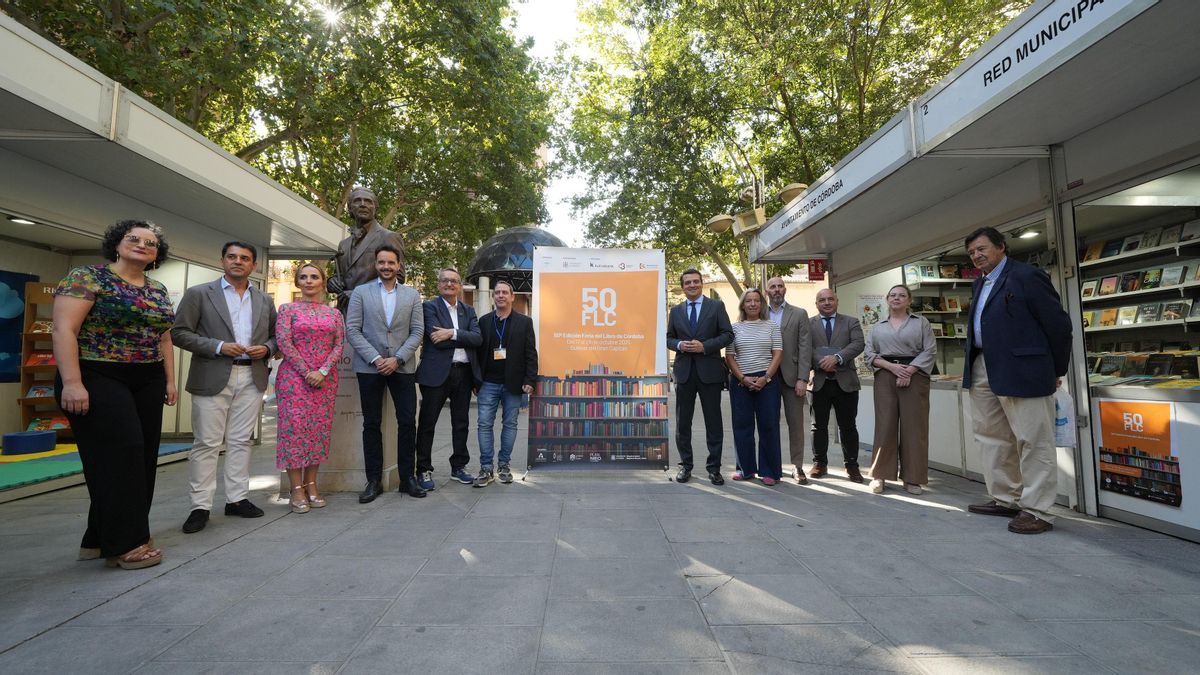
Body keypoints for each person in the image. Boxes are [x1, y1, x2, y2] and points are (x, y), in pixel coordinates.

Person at [53, 220, 177, 569]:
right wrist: (73, 382)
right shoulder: (87, 277)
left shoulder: (158, 289)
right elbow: (65, 329)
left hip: (148, 377)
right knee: (122, 454)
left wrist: (169, 380)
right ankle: (127, 542)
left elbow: (164, 337)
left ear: (156, 254)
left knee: (141, 459)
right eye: (133, 239)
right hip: (96, 372)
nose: (141, 244)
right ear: (117, 244)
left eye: (150, 242)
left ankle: (98, 537)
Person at [963, 227, 1072, 534]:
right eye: (972, 252)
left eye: (982, 248)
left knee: (1032, 439)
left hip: (1024, 369)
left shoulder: (1027, 276)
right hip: (984, 365)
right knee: (991, 436)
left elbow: (1059, 326)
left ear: (1001, 247)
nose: (977, 255)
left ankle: (1038, 510)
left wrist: (1056, 371)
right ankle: (1006, 497)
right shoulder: (979, 284)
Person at [173, 241, 277, 534]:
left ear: (253, 265)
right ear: (222, 260)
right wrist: (218, 346)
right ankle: (200, 506)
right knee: (206, 443)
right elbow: (179, 333)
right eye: (232, 257)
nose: (238, 262)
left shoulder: (264, 300)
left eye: (244, 258)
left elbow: (275, 336)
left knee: (241, 441)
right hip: (212, 374)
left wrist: (266, 349)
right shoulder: (199, 294)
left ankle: (237, 499)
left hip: (252, 377)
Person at [345, 245, 426, 502]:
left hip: (402, 367)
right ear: (376, 264)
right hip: (370, 367)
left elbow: (417, 331)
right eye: (382, 262)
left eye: (391, 262)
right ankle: (373, 481)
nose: (386, 267)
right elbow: (353, 329)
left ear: (399, 265)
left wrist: (398, 358)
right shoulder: (361, 292)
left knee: (407, 423)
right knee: (371, 424)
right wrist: (377, 358)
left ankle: (407, 479)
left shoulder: (412, 295)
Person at [274, 263, 344, 513]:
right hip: (294, 379)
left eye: (314, 277)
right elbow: (284, 341)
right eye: (303, 277)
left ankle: (312, 484)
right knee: (293, 432)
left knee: (317, 431)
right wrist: (307, 371)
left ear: (323, 282)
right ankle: (296, 488)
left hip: (325, 380)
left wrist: (322, 371)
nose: (308, 281)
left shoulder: (334, 314)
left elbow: (339, 345)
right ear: (297, 282)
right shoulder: (287, 309)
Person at [863, 285, 936, 495]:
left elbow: (930, 350)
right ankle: (880, 475)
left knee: (915, 428)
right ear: (887, 299)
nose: (897, 298)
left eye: (901, 295)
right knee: (885, 425)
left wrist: (909, 370)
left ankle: (913, 478)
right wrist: (893, 368)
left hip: (915, 376)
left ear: (909, 300)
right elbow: (870, 354)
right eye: (893, 295)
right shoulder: (878, 327)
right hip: (886, 375)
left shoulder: (921, 323)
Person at [415, 267, 482, 489]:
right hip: (436, 374)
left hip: (463, 373)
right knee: (427, 423)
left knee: (461, 423)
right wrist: (460, 336)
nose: (449, 284)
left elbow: (477, 339)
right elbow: (436, 339)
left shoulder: (469, 311)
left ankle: (458, 467)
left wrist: (451, 333)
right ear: (438, 284)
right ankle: (423, 470)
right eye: (445, 280)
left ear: (460, 286)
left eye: (454, 281)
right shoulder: (429, 307)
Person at [666, 269, 734, 485]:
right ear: (683, 286)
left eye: (696, 281)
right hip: (684, 372)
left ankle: (714, 468)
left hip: (710, 372)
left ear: (702, 283)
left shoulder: (716, 306)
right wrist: (678, 344)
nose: (692, 285)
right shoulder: (676, 311)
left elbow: (727, 335)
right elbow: (668, 338)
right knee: (682, 423)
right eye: (688, 282)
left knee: (713, 422)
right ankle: (685, 466)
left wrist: (705, 346)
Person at [474, 280, 538, 487]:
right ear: (494, 297)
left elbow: (531, 353)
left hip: (514, 384)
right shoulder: (483, 321)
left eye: (505, 292)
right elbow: (475, 354)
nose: (501, 295)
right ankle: (486, 468)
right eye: (497, 292)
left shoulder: (524, 322)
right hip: (488, 384)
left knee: (510, 424)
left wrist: (529, 380)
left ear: (512, 297)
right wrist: (476, 381)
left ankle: (504, 466)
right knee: (484, 425)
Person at [724, 288, 784, 485]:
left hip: (767, 382)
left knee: (769, 426)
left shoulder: (772, 326)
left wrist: (766, 377)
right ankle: (745, 468)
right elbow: (729, 356)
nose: (752, 304)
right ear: (743, 304)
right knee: (742, 426)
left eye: (756, 300)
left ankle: (770, 471)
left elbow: (778, 354)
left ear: (761, 304)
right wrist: (742, 378)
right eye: (748, 301)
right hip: (741, 382)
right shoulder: (734, 328)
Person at [808, 288, 866, 483]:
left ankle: (852, 466)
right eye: (822, 300)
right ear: (816, 304)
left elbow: (858, 344)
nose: (826, 302)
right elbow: (805, 348)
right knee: (818, 426)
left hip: (846, 382)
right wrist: (822, 362)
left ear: (837, 301)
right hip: (820, 383)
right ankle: (819, 463)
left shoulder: (851, 322)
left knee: (848, 426)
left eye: (830, 299)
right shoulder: (808, 324)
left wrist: (837, 358)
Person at [327, 187, 406, 314]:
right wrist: (332, 282)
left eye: (368, 201)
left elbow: (399, 276)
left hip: (374, 313)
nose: (363, 204)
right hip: (345, 312)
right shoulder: (344, 244)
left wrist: (359, 293)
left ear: (375, 208)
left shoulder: (389, 237)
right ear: (350, 208)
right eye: (357, 201)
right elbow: (341, 275)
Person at [765, 276, 811, 483]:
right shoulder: (759, 312)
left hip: (793, 378)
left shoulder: (799, 314)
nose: (776, 290)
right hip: (766, 377)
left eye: (780, 286)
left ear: (785, 289)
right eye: (772, 287)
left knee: (796, 424)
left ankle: (797, 466)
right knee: (769, 424)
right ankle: (772, 465)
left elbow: (805, 348)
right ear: (766, 292)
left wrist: (803, 378)